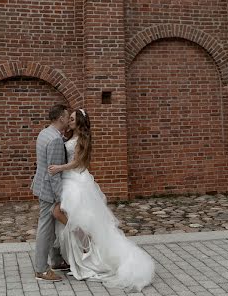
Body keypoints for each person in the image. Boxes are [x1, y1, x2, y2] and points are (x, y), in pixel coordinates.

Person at [48, 108, 155, 291]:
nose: (70, 121)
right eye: (70, 118)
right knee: (70, 214)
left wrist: (59, 168)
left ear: (80, 122)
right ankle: (80, 244)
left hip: (77, 180)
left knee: (65, 213)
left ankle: (86, 241)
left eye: (73, 119)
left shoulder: (81, 139)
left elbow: (77, 162)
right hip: (70, 179)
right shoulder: (68, 136)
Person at [31, 103, 70, 282]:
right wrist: (60, 197)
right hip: (49, 189)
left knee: (53, 226)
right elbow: (53, 172)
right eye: (67, 116)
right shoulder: (54, 139)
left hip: (41, 184)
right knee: (45, 228)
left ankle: (56, 260)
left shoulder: (44, 132)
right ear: (60, 117)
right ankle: (41, 269)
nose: (69, 119)